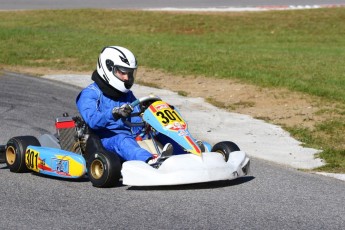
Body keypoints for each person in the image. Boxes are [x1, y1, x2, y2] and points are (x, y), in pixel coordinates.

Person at [76, 46, 171, 164]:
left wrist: (148, 111)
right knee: (122, 140)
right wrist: (113, 113)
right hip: (104, 140)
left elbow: (136, 118)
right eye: (123, 72)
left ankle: (187, 153)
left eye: (130, 73)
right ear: (109, 68)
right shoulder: (90, 94)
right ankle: (150, 161)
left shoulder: (126, 94)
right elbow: (92, 120)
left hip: (132, 136)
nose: (127, 78)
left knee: (162, 131)